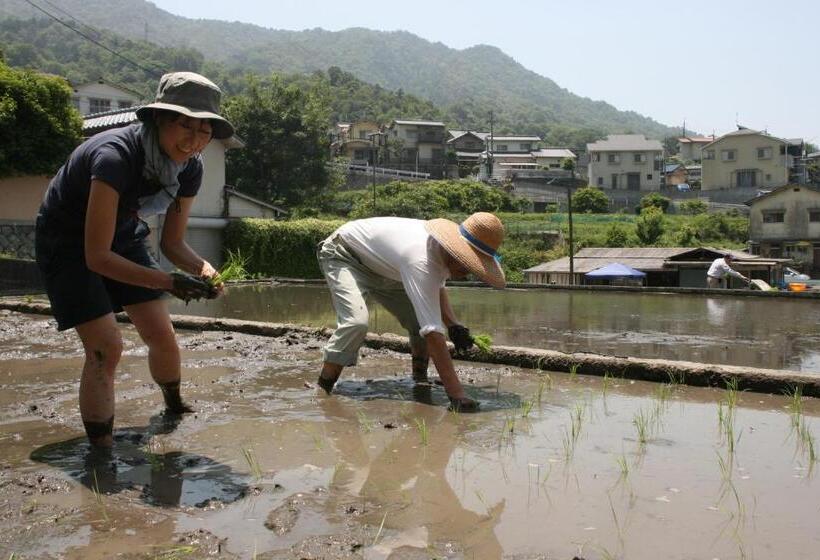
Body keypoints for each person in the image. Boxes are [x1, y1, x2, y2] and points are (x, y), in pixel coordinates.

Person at [35, 72, 235, 447]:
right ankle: (101, 452)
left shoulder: (189, 167)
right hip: (67, 240)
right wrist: (170, 282)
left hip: (124, 232)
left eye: (204, 131)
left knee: (162, 333)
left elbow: (173, 243)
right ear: (158, 118)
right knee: (105, 347)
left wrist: (206, 271)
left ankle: (174, 407)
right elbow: (97, 257)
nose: (193, 141)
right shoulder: (115, 157)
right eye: (184, 125)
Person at [315, 211, 506, 412]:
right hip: (345, 254)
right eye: (467, 263)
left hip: (388, 269)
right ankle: (323, 388)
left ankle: (419, 380)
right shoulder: (420, 258)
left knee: (417, 321)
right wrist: (457, 396)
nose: (468, 271)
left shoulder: (441, 251)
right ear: (455, 250)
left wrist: (454, 325)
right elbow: (433, 332)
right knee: (356, 323)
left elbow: (436, 288)